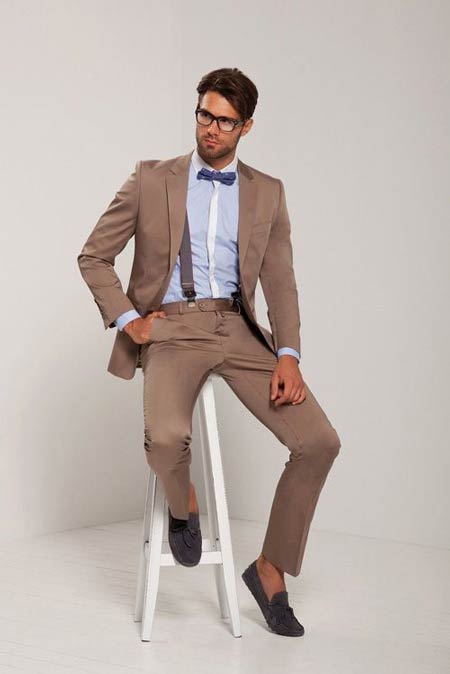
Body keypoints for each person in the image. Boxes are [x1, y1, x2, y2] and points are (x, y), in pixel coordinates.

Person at [77, 67, 341, 637]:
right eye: (204, 115)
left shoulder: (267, 191)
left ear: (246, 127)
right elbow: (94, 255)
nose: (210, 129)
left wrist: (288, 353)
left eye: (225, 121)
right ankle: (185, 504)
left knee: (319, 441)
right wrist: (128, 319)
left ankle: (270, 569)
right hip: (172, 328)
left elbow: (280, 281)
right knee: (166, 439)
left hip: (239, 330)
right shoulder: (151, 178)